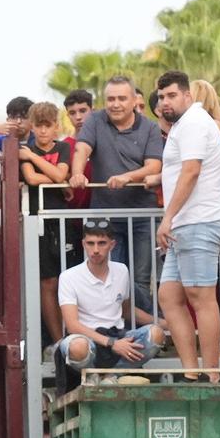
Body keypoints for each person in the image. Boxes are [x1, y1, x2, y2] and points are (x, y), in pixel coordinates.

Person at [151, 71, 220, 374]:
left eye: (172, 95)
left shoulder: (195, 122)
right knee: (169, 297)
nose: (165, 102)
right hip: (186, 225)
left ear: (187, 95)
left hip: (200, 221)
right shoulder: (184, 125)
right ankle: (190, 372)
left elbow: (191, 171)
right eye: (161, 97)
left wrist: (167, 218)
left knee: (201, 298)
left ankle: (211, 374)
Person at [67, 76, 164, 317]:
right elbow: (82, 148)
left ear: (134, 101)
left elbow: (154, 166)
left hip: (142, 215)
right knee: (109, 275)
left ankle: (146, 332)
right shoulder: (96, 120)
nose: (116, 104)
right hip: (106, 216)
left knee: (140, 278)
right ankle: (118, 331)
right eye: (111, 99)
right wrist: (77, 173)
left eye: (122, 98)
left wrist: (127, 177)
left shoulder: (150, 127)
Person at [53, 219, 162, 383]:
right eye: (90, 243)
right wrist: (112, 343)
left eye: (101, 243)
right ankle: (94, 375)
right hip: (86, 339)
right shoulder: (69, 277)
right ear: (83, 244)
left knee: (157, 334)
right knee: (77, 347)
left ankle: (111, 375)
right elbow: (72, 325)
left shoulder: (122, 270)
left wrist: (164, 323)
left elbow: (125, 310)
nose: (95, 250)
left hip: (117, 335)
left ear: (112, 244)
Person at [18, 101, 76, 341]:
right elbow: (31, 179)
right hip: (37, 221)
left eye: (47, 125)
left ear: (56, 127)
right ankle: (57, 340)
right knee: (47, 281)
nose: (42, 131)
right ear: (32, 126)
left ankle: (74, 336)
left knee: (69, 280)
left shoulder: (61, 147)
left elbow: (61, 174)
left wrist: (32, 156)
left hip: (62, 220)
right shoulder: (23, 149)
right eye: (38, 126)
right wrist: (56, 178)